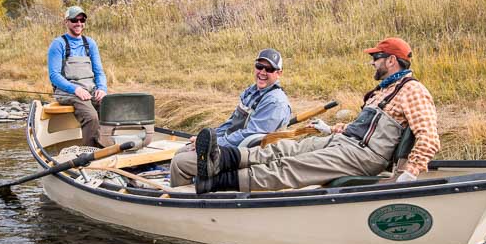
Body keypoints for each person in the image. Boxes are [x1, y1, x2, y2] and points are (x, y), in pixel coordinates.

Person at [193, 37, 439, 193]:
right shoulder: (384, 90)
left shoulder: (413, 91)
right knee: (285, 149)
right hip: (345, 142)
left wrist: (410, 174)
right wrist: (331, 129)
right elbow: (364, 128)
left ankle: (216, 183)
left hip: (363, 156)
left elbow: (428, 138)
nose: (373, 62)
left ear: (392, 61)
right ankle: (221, 159)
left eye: (376, 58)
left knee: (292, 166)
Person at [169, 49, 292, 187]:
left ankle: (184, 201)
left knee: (179, 163)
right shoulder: (253, 91)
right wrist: (209, 139)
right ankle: (200, 188)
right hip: (233, 147)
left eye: (269, 69)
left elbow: (250, 135)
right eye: (259, 66)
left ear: (279, 73)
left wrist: (213, 146)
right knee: (181, 151)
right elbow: (231, 123)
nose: (262, 72)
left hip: (245, 155)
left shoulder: (275, 102)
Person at [47, 6, 108, 148]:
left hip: (90, 89)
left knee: (111, 108)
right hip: (68, 92)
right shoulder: (58, 44)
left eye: (82, 20)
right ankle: (90, 154)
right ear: (66, 22)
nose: (79, 23)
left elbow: (99, 71)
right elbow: (54, 75)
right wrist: (75, 89)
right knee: (91, 116)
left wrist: (102, 89)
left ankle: (109, 147)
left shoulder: (90, 43)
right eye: (75, 20)